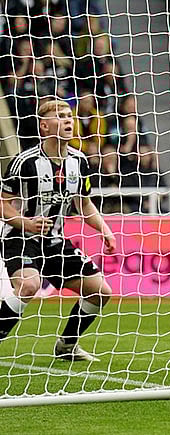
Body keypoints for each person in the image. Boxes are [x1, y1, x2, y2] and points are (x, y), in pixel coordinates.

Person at [0, 98, 117, 362]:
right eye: (60, 116)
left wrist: (105, 230)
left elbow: (84, 205)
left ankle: (67, 346)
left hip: (54, 243)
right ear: (44, 126)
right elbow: (3, 205)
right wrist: (25, 223)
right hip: (21, 238)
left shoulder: (80, 161)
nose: (68, 120)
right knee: (29, 285)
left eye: (69, 115)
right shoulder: (25, 162)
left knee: (100, 292)